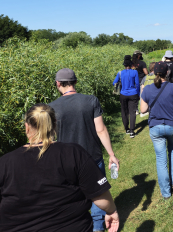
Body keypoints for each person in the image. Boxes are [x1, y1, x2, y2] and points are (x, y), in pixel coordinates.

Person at [0, 103, 120, 232]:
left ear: (27, 127)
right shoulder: (73, 153)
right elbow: (100, 195)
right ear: (55, 125)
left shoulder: (4, 162)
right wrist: (111, 211)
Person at [49, 68, 120, 232]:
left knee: (72, 197)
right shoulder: (91, 101)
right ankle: (97, 227)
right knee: (98, 192)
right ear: (75, 82)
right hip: (92, 157)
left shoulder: (51, 108)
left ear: (58, 84)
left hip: (65, 161)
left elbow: (50, 137)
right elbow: (101, 130)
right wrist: (111, 154)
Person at [141, 62, 173, 199]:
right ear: (167, 73)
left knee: (161, 159)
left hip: (156, 127)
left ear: (153, 72)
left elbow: (142, 110)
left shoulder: (147, 89)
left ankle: (166, 192)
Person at [114, 55, 140, 136]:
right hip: (133, 94)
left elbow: (114, 83)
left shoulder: (120, 73)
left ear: (124, 65)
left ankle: (127, 129)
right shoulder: (135, 72)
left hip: (123, 94)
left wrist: (121, 83)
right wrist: (138, 94)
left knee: (124, 112)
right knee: (132, 112)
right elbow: (138, 84)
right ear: (131, 64)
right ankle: (132, 131)